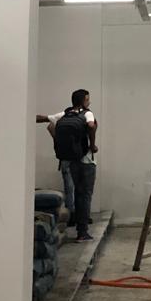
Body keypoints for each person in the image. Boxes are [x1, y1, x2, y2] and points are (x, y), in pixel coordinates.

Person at [38, 90, 98, 242]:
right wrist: (92, 145)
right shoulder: (87, 114)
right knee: (85, 195)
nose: (89, 102)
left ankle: (74, 220)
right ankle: (82, 232)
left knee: (75, 192)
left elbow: (44, 120)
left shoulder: (64, 114)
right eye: (88, 99)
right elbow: (91, 126)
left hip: (70, 160)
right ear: (83, 101)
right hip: (86, 161)